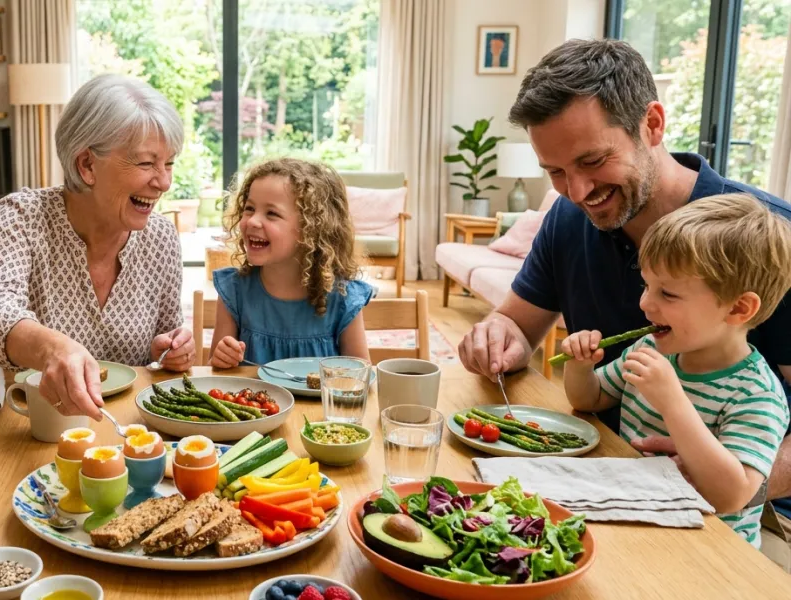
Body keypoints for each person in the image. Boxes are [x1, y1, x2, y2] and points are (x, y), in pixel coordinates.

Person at [457, 38, 791, 569]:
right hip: (605, 482)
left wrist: (705, 480)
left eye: (593, 160)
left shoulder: (768, 241)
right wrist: (498, 336)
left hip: (739, 520)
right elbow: (518, 326)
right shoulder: (567, 221)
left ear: (652, 124)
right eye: (556, 171)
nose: (577, 190)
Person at [561, 194, 791, 548]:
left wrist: (673, 402)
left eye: (667, 293)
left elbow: (732, 496)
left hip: (708, 547)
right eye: (646, 285)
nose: (645, 303)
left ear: (738, 308)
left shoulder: (755, 394)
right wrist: (580, 366)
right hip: (638, 517)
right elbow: (589, 398)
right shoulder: (652, 349)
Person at [0, 74, 194, 419]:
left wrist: (171, 351)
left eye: (169, 163)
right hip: (24, 424)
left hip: (117, 428)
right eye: (146, 163)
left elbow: (163, 349)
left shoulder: (160, 237)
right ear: (86, 165)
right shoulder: (22, 217)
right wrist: (53, 347)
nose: (163, 182)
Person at [208, 158, 374, 368]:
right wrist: (221, 358)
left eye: (271, 213)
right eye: (249, 208)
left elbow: (360, 375)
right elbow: (214, 369)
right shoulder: (234, 290)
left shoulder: (342, 297)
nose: (252, 221)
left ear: (311, 230)